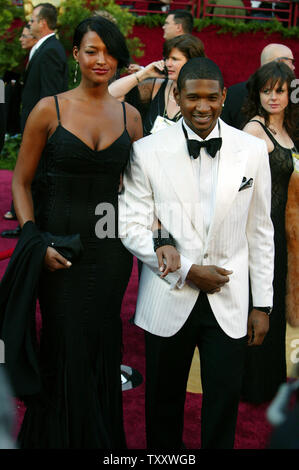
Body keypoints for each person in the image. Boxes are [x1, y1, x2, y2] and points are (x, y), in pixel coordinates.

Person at [119, 57, 274, 449]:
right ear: (177, 95)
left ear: (224, 96)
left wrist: (264, 305)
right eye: (192, 97)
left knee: (223, 406)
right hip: (169, 294)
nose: (202, 106)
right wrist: (187, 270)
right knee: (162, 405)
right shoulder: (148, 151)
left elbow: (260, 231)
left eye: (211, 97)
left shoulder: (253, 151)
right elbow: (130, 225)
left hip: (231, 298)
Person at [7, 16, 142, 448]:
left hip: (111, 254)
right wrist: (35, 241)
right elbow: (21, 183)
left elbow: (141, 193)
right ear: (76, 55)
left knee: (103, 344)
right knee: (63, 343)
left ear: (119, 57)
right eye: (91, 50)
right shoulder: (51, 109)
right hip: (57, 251)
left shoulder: (132, 117)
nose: (101, 59)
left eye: (109, 51)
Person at [241, 61, 298, 404]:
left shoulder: (289, 130)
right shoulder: (253, 130)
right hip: (262, 232)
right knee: (260, 304)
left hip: (285, 233)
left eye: (280, 90)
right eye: (267, 90)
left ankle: (272, 382)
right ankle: (252, 383)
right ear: (257, 93)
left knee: (275, 303)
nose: (273, 97)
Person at [1, 3, 68, 238]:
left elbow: (48, 96)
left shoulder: (50, 50)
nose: (28, 25)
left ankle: (33, 228)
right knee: (33, 177)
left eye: (31, 21)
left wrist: (42, 128)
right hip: (35, 127)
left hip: (41, 129)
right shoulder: (45, 48)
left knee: (38, 178)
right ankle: (27, 224)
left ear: (42, 23)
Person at [109, 34, 205, 136]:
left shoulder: (205, 95)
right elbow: (110, 94)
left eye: (174, 59)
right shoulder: (157, 86)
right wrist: (145, 73)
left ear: (192, 61)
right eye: (166, 58)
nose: (168, 63)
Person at [3, 24, 38, 222]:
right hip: (14, 116)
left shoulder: (40, 56)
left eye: (25, 36)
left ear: (34, 38)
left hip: (21, 119)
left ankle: (18, 211)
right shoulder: (22, 58)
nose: (20, 39)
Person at [221, 43, 295, 130]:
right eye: (291, 62)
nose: (293, 67)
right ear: (279, 63)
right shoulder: (254, 128)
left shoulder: (233, 92)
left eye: (280, 91)